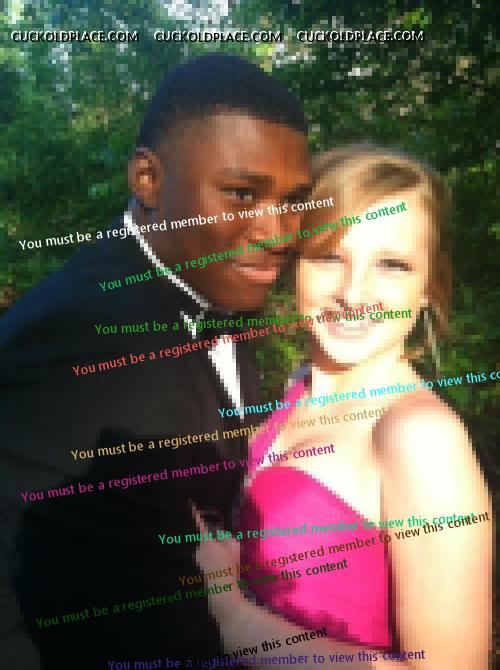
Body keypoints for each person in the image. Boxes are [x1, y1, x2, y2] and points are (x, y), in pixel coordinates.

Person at [0, 54, 312, 668]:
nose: (278, 233)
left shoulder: (207, 288)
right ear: (147, 178)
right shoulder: (89, 341)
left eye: (294, 201)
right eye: (241, 194)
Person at [195, 145, 492, 669]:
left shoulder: (418, 436)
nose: (354, 294)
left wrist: (233, 618)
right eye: (330, 256)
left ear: (429, 286)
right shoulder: (299, 389)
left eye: (392, 265)